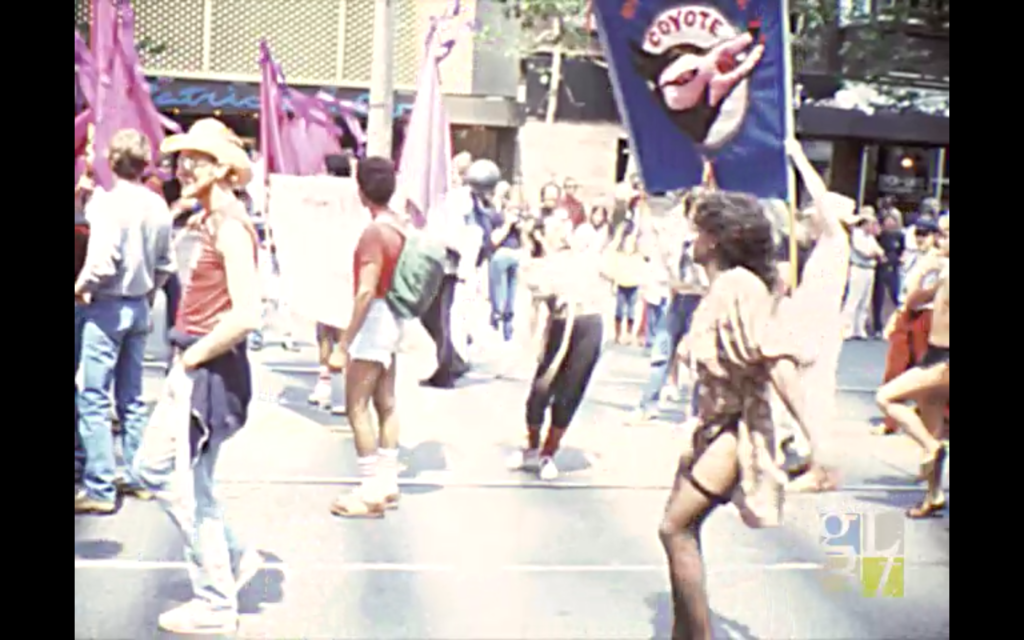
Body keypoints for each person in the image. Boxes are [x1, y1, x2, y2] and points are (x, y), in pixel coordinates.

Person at [662, 191, 819, 640]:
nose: (691, 238)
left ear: (715, 240)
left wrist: (817, 439)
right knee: (679, 528)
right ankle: (685, 633)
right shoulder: (722, 286)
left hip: (735, 427)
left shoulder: (738, 287)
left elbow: (776, 358)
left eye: (698, 230)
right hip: (710, 426)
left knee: (675, 528)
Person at [134, 119, 263, 634]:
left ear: (224, 169)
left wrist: (193, 357)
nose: (184, 166)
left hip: (205, 370)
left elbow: (247, 311)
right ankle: (230, 556)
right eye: (182, 158)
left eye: (199, 159)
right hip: (195, 365)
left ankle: (215, 601)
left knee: (186, 485)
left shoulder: (230, 226)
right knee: (160, 471)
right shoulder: (211, 220)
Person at [75, 129, 177, 514]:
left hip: (106, 305)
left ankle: (100, 485)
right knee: (131, 397)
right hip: (139, 304)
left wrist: (80, 286)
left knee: (92, 395)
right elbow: (167, 264)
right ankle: (136, 475)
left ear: (112, 162)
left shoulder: (108, 204)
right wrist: (150, 292)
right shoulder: (157, 206)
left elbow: (102, 261)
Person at [777, 138, 858, 492]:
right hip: (812, 326)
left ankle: (822, 470)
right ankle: (813, 460)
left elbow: (820, 199)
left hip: (819, 329)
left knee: (816, 398)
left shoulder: (836, 239)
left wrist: (797, 157)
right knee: (807, 395)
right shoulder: (828, 246)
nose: (810, 218)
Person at [329, 157, 405, 518]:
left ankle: (371, 489)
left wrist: (343, 343)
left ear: (361, 191)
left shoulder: (374, 233)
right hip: (394, 319)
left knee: (356, 406)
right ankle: (387, 481)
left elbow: (364, 292)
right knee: (386, 404)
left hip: (373, 320)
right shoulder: (400, 227)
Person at [510, 211, 607, 480]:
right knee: (540, 391)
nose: (563, 230)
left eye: (565, 224)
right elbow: (539, 291)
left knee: (570, 393)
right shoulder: (535, 264)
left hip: (589, 322)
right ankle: (532, 446)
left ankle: (548, 453)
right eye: (556, 226)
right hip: (559, 326)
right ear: (542, 234)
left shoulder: (583, 254)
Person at [876, 235, 949, 519]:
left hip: (944, 359)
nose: (939, 241)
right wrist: (924, 271)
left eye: (946, 234)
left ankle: (931, 448)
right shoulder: (944, 271)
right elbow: (912, 300)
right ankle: (933, 495)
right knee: (931, 422)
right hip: (935, 354)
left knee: (885, 397)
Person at [875, 217, 944, 435]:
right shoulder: (918, 256)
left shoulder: (938, 263)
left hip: (928, 316)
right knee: (896, 365)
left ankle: (930, 425)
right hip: (910, 313)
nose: (922, 238)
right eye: (919, 234)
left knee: (925, 373)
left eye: (928, 234)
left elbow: (921, 294)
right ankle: (893, 421)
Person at [309, 152, 357, 411]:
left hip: (342, 268)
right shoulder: (325, 196)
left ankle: (347, 392)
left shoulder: (349, 196)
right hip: (326, 265)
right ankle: (324, 383)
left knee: (339, 329)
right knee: (324, 328)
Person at [840, 207, 883, 339]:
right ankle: (846, 329)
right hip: (858, 268)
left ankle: (859, 329)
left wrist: (877, 254)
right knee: (853, 299)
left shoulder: (870, 237)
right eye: (870, 223)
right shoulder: (856, 234)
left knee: (865, 301)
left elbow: (880, 252)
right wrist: (875, 254)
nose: (872, 226)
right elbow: (865, 252)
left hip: (870, 270)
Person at [872, 212, 905, 337]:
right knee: (878, 298)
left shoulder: (900, 235)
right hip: (881, 268)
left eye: (893, 220)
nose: (890, 223)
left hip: (894, 267)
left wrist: (901, 259)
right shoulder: (879, 235)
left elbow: (902, 249)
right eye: (887, 220)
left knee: (896, 296)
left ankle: (897, 325)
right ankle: (877, 327)